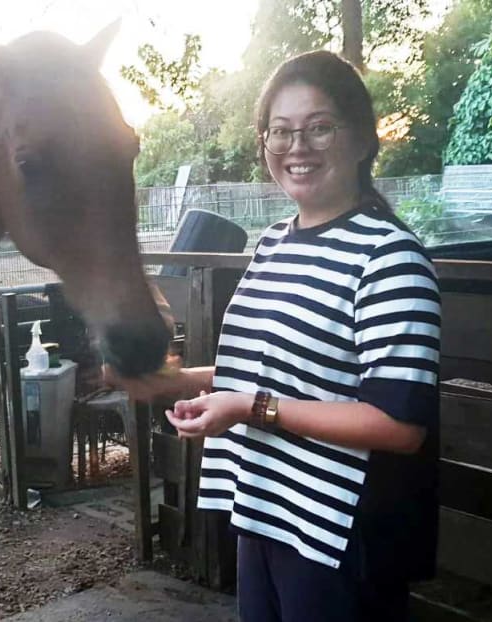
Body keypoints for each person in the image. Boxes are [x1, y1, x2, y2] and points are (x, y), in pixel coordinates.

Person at [106, 50, 441, 622]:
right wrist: (171, 381)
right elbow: (270, 369)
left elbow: (399, 425)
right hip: (266, 506)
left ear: (362, 138)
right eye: (280, 131)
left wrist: (249, 409)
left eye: (319, 128)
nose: (297, 147)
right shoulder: (274, 241)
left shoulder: (390, 258)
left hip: (338, 533)